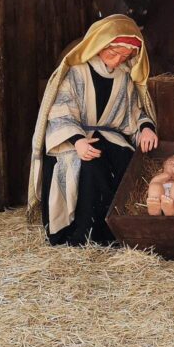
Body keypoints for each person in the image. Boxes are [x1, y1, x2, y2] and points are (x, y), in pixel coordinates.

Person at [27, 15, 158, 246]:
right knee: (89, 165)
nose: (118, 61)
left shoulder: (124, 78)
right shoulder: (76, 72)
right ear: (99, 47)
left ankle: (115, 234)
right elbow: (60, 113)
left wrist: (146, 128)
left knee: (127, 161)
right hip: (73, 139)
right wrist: (78, 141)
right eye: (113, 54)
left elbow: (135, 115)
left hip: (111, 138)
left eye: (125, 57)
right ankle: (82, 235)